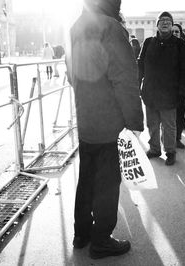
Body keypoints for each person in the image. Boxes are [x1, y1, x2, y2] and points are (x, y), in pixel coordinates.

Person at [66, 0, 144, 259]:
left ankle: (81, 234)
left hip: (87, 118)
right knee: (108, 183)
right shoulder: (111, 27)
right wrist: (134, 122)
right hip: (110, 121)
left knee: (86, 178)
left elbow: (70, 71)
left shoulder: (77, 25)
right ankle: (101, 240)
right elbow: (124, 78)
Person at [138, 11, 185, 165]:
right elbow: (140, 65)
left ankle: (170, 151)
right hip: (151, 92)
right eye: (162, 20)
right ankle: (154, 149)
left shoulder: (180, 44)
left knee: (169, 125)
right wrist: (137, 83)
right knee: (152, 124)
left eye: (168, 20)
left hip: (170, 93)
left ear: (172, 24)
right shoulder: (148, 42)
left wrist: (183, 91)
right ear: (157, 24)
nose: (165, 23)